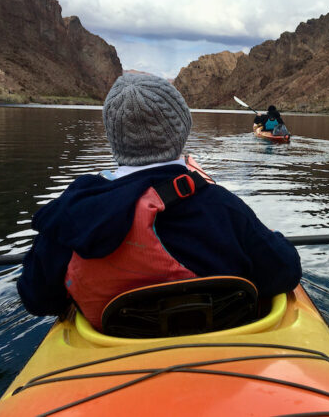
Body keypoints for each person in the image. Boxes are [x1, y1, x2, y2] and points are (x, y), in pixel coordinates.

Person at [17, 73, 301, 331]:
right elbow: (285, 271)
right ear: (182, 129)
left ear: (113, 136)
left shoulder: (71, 215)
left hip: (114, 361)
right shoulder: (223, 207)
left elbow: (37, 299)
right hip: (218, 353)